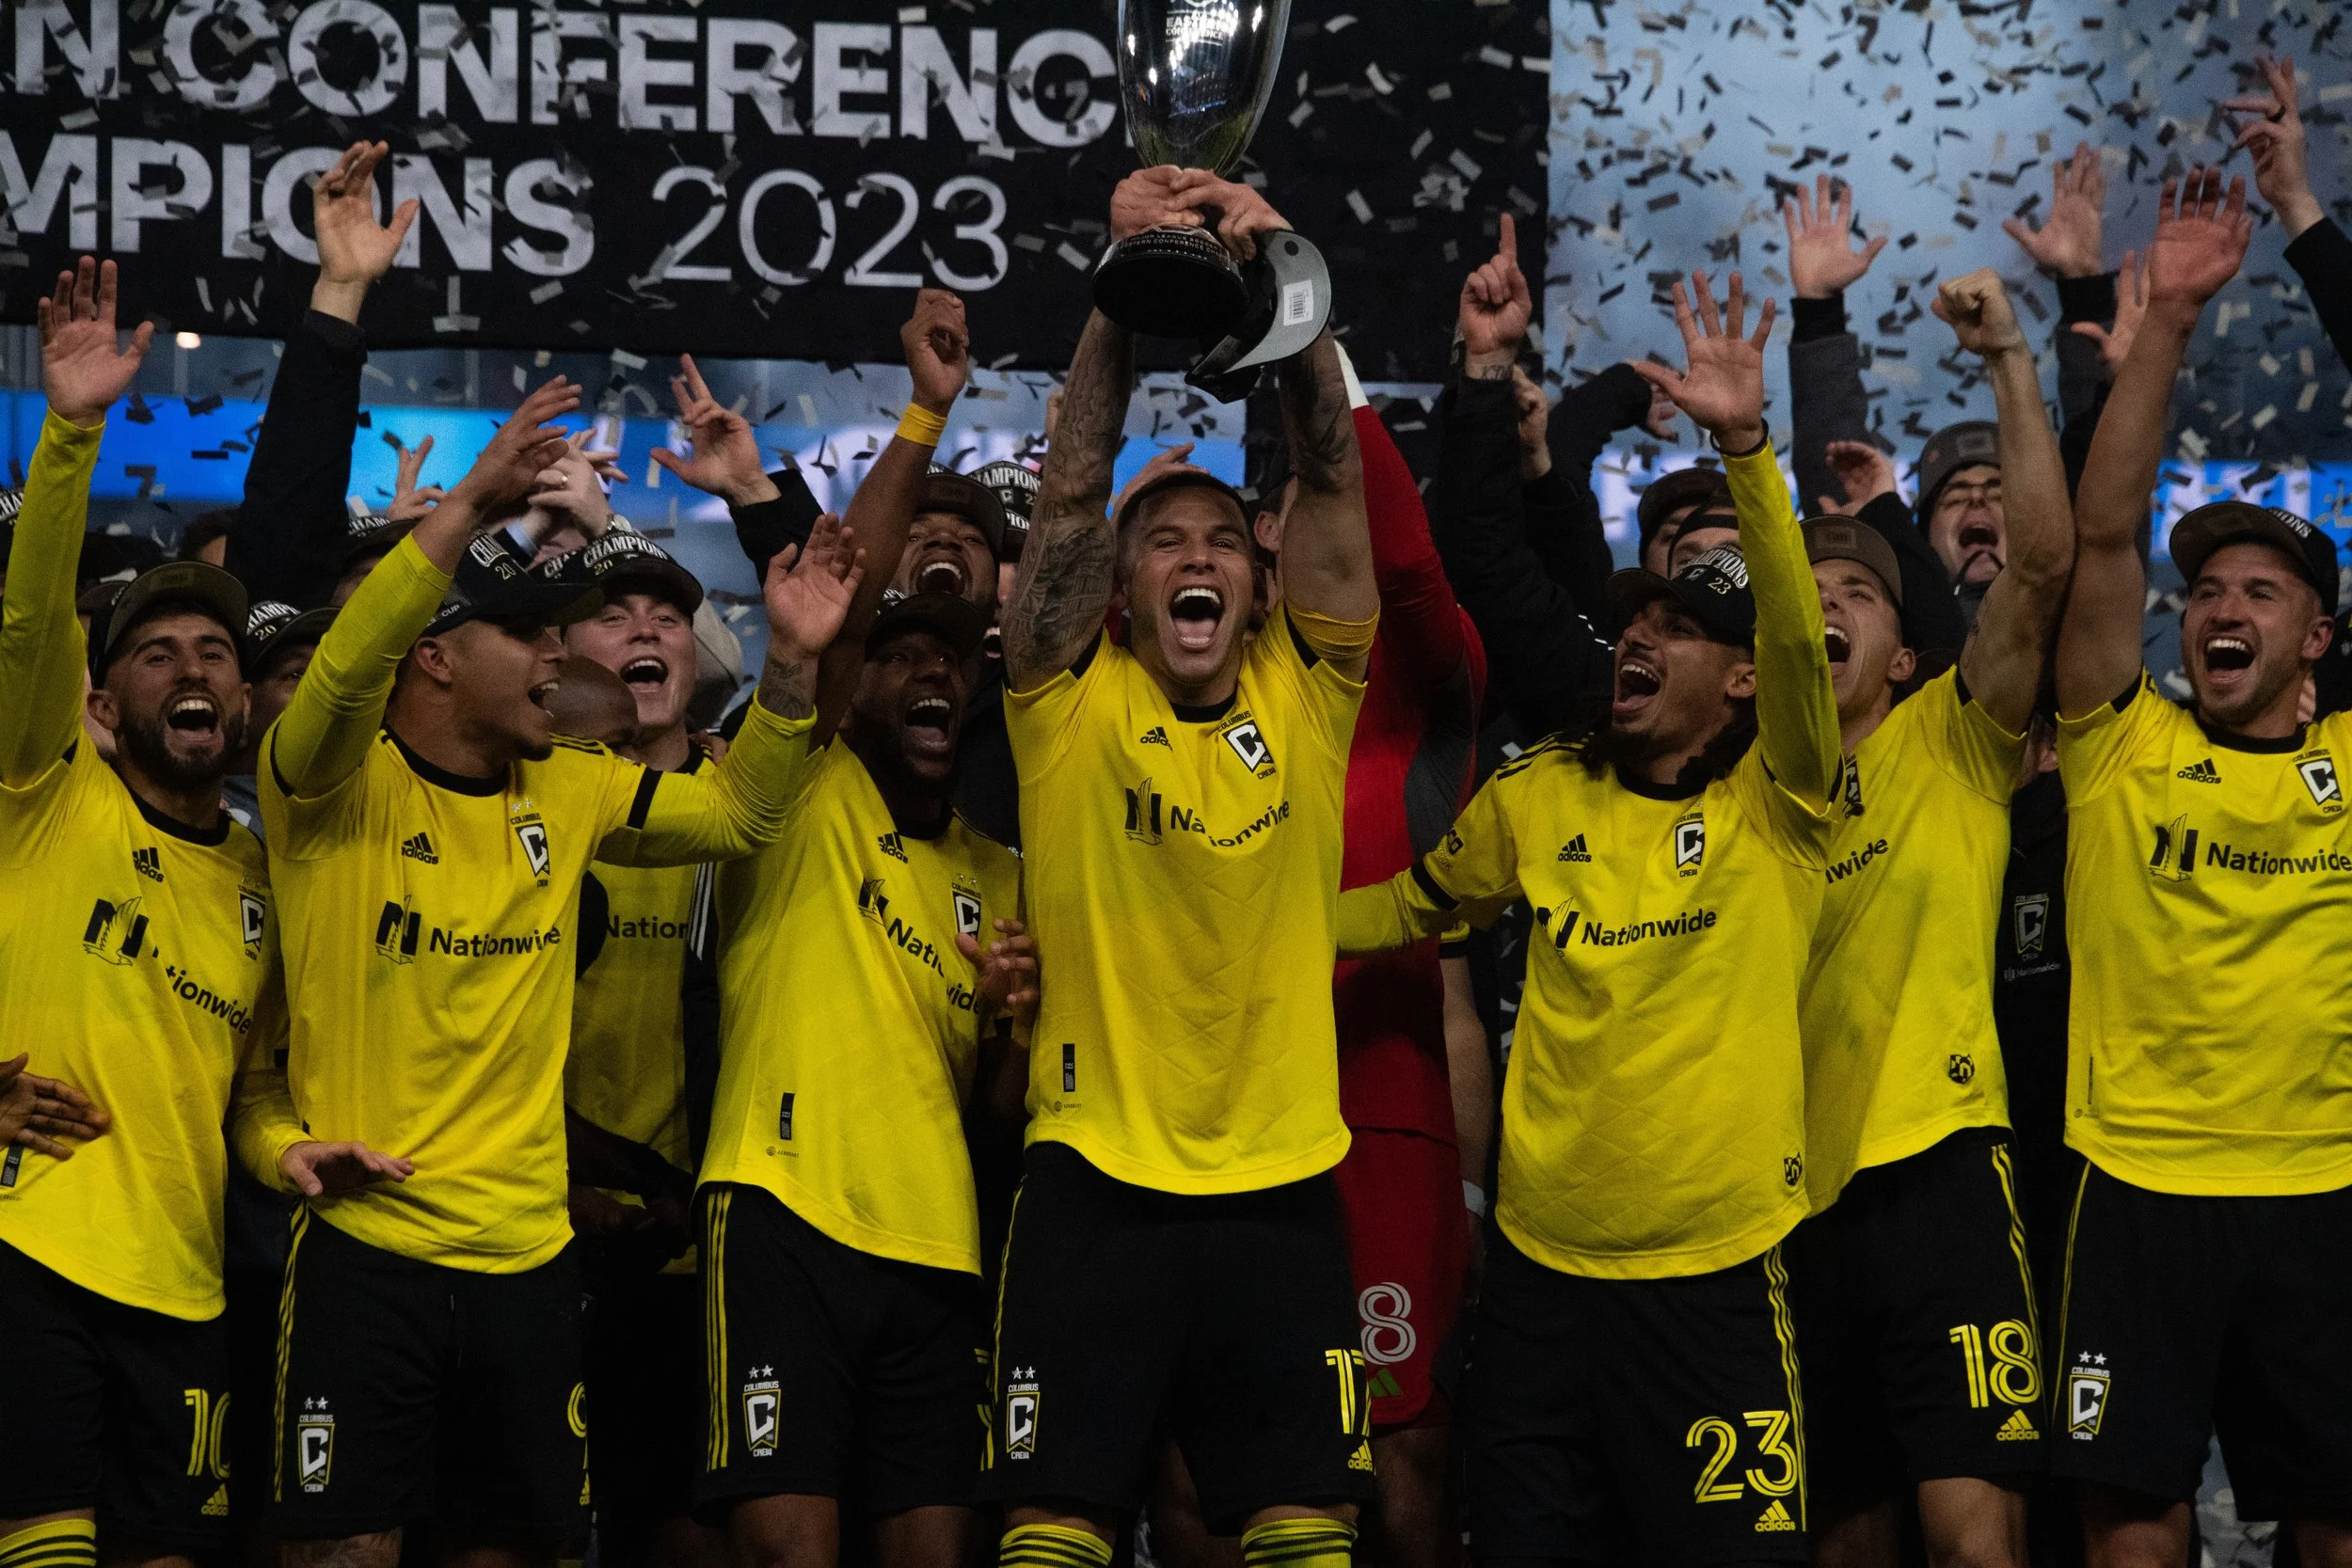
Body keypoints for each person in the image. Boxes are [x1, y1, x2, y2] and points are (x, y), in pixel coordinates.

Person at [230, 363, 864, 1568]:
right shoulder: (324, 785)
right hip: (371, 1252)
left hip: (529, 1264)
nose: (553, 652)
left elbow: (741, 818)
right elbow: (341, 669)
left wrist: (788, 665)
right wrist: (464, 503)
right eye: (522, 629)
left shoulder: (568, 786)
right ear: (432, 658)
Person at [1343, 268, 1839, 1567]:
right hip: (1543, 1289)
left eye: (1679, 629)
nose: (1641, 639)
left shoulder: (1780, 801)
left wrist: (1746, 447)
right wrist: (1221, 921)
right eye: (1637, 621)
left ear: (1736, 682)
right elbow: (1390, 910)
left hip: (1721, 1279)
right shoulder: (1540, 793)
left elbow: (1795, 634)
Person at [978, 165, 1381, 1568]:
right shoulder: (1064, 706)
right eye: (1167, 542)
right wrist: (1122, 286)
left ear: (1261, 583)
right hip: (1094, 1177)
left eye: (1222, 536)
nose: (1195, 554)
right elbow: (1077, 484)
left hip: (1278, 1184)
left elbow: (1331, 468)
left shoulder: (1312, 691)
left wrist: (1284, 260)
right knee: (1056, 1526)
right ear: (1124, 590)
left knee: (1303, 1528)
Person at [696, 297, 1035, 1563]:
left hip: (940, 1240)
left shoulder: (1000, 869)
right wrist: (924, 413)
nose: (932, 674)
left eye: (952, 661)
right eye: (901, 657)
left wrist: (1008, 1016)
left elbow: (997, 1109)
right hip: (783, 1217)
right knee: (792, 1551)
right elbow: (841, 607)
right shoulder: (807, 784)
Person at [2048, 165, 2352, 1568]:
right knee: (2131, 1525)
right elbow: (2102, 535)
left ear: (2318, 642)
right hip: (2138, 1187)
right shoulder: (2121, 744)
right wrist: (2163, 318)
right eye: (2209, 590)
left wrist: (2304, 224)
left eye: (2261, 592)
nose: (2221, 608)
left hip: (2325, 1186)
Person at [1787, 268, 2077, 1568]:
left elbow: (2051, 558)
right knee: (1845, 1539)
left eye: (1861, 593)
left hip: (1947, 1176)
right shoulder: (1751, 795)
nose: (1833, 602)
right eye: (1812, 592)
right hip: (1791, 1194)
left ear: (1907, 656)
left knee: (1974, 1540)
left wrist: (2012, 355)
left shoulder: (1957, 743)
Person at [0, 258, 285, 1568]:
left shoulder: (267, 891)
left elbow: (258, 1098)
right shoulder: (49, 793)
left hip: (187, 1288)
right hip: (30, 1249)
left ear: (239, 709)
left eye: (217, 653)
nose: (195, 666)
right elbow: (27, 626)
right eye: (157, 649)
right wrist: (71, 433)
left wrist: (287, 1154)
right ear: (104, 705)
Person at [654, 359, 1024, 847]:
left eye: (973, 540)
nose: (946, 545)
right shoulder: (827, 685)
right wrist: (752, 492)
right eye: (915, 533)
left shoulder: (1035, 690)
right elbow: (833, 605)